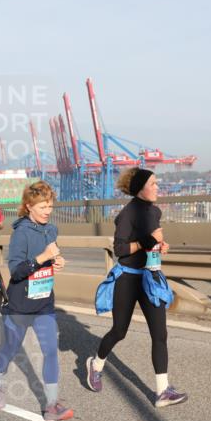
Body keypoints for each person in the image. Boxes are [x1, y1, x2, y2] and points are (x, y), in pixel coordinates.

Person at [86, 168, 186, 407]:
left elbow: (151, 241)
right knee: (119, 331)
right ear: (140, 189)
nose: (158, 187)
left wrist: (159, 246)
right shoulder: (128, 214)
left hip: (150, 276)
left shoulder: (155, 211)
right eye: (153, 184)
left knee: (160, 334)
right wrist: (148, 241)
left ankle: (162, 391)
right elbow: (120, 249)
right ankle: (96, 365)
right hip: (128, 279)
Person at [0, 181, 73, 421]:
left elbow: (53, 255)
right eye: (42, 207)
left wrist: (57, 261)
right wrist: (43, 257)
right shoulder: (21, 233)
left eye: (50, 206)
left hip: (44, 301)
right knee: (11, 347)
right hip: (21, 303)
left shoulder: (51, 230)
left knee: (51, 351)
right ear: (29, 206)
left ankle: (51, 405)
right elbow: (15, 271)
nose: (47, 211)